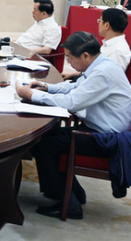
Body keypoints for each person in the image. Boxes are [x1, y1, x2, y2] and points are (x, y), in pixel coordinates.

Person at [15, 32, 131, 219]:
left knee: (45, 145)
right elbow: (75, 87)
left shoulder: (102, 73)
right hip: (99, 130)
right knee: (45, 136)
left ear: (85, 55)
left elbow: (72, 102)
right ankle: (73, 193)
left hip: (107, 138)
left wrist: (32, 95)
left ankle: (69, 205)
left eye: (69, 57)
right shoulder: (101, 65)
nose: (68, 61)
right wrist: (47, 88)